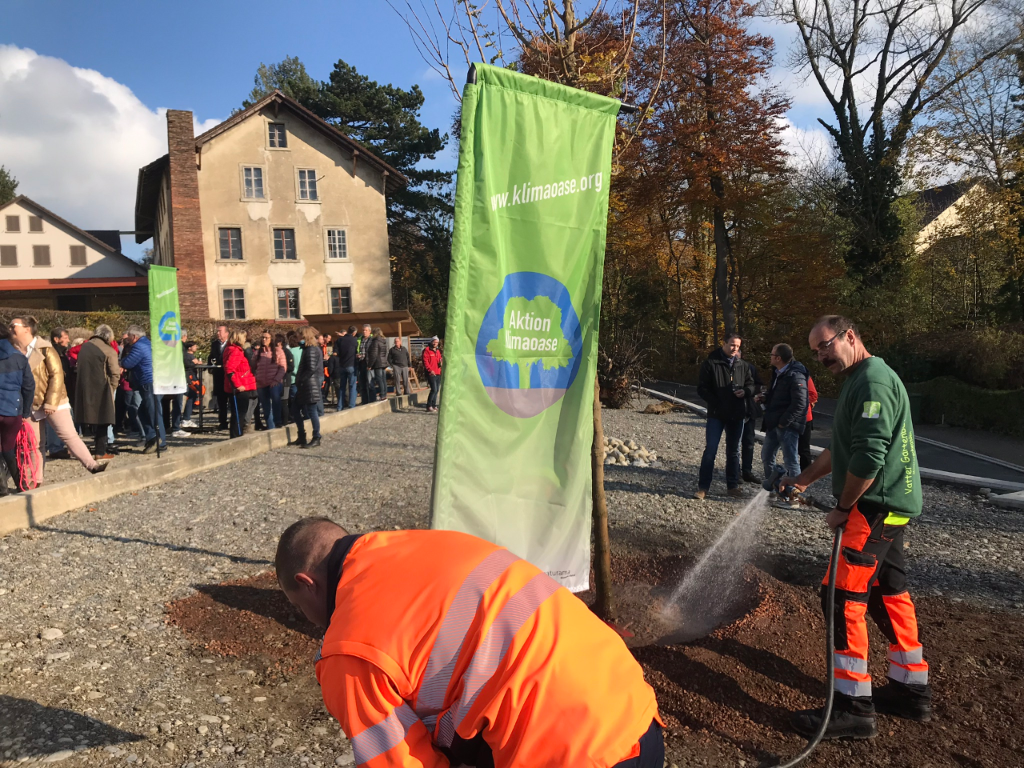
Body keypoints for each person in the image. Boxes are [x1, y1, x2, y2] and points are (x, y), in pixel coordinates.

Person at [276, 518, 664, 768]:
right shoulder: (420, 543)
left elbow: (398, 763)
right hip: (633, 710)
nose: (305, 618)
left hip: (568, 752)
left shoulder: (347, 649)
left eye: (297, 607)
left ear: (307, 584)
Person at [782, 315, 931, 741]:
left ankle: (852, 707)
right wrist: (804, 479)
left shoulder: (873, 382)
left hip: (873, 508)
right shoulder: (860, 381)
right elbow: (843, 447)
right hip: (890, 506)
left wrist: (843, 507)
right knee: (890, 593)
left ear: (850, 337)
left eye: (825, 345)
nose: (821, 356)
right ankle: (911, 688)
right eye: (814, 351)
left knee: (840, 596)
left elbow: (869, 454)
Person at [9, 316, 107, 477]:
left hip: (53, 401)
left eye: (14, 325)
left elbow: (57, 375)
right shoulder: (13, 351)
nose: (11, 328)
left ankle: (92, 465)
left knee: (68, 435)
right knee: (33, 444)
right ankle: (35, 479)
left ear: (27, 329)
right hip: (29, 404)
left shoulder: (45, 348)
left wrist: (51, 402)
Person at [695, 334, 754, 500]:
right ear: (724, 344)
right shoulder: (710, 364)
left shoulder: (743, 365)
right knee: (710, 450)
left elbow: (751, 384)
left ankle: (732, 486)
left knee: (734, 451)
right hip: (717, 414)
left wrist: (746, 391)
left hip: (737, 414)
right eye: (732, 345)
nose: (735, 349)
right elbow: (702, 388)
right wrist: (717, 401)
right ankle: (703, 487)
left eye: (738, 346)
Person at [759, 343, 808, 509]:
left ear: (778, 358)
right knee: (766, 456)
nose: (770, 357)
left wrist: (783, 422)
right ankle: (775, 489)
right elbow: (777, 395)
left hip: (786, 425)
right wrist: (765, 398)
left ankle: (793, 498)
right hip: (774, 423)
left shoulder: (796, 375)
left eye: (772, 354)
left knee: (791, 460)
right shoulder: (778, 373)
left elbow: (800, 403)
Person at [74, 325, 121, 461]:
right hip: (103, 389)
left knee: (87, 419)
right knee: (104, 419)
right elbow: (115, 373)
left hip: (84, 388)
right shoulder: (108, 350)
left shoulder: (84, 348)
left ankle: (80, 451)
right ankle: (100, 451)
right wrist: (112, 388)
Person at [121, 325, 166, 454]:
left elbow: (127, 363)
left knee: (153, 412)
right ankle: (152, 437)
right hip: (150, 381)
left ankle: (160, 441)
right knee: (143, 411)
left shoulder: (138, 346)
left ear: (134, 337)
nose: (127, 339)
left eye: (128, 336)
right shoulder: (147, 343)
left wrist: (123, 359)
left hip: (148, 382)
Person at [0, 327, 35, 494]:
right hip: (13, 409)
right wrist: (25, 411)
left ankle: (2, 488)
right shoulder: (18, 357)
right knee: (9, 448)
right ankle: (22, 484)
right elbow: (29, 386)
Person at [292, 326, 323, 448]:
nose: (297, 337)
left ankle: (316, 436)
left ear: (304, 335)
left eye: (298, 335)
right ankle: (302, 435)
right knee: (296, 409)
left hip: (309, 385)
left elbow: (310, 368)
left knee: (312, 411)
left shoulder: (311, 350)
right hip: (306, 384)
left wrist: (301, 380)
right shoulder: (308, 348)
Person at [223, 330, 257, 437]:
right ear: (238, 338)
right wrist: (237, 385)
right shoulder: (236, 351)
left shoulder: (230, 349)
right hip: (240, 386)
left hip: (238, 384)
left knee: (237, 414)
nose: (245, 339)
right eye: (244, 337)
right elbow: (229, 369)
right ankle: (236, 436)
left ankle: (236, 435)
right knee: (240, 414)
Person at [739, 350, 763, 484]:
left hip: (749, 409)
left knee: (748, 443)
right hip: (732, 412)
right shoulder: (724, 368)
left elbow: (758, 384)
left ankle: (747, 471)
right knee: (734, 444)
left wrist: (750, 391)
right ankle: (734, 472)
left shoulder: (750, 368)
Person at [255, 330, 286, 429]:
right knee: (265, 406)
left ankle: (278, 422)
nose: (264, 340)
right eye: (262, 337)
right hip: (261, 383)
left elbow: (283, 367)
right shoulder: (257, 353)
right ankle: (270, 427)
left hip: (274, 381)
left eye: (266, 338)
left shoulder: (278, 351)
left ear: (271, 339)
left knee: (276, 400)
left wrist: (276, 380)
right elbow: (252, 367)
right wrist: (256, 378)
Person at [208, 324, 230, 431]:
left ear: (226, 333)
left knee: (231, 400)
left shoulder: (231, 344)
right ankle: (223, 422)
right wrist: (210, 367)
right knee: (221, 402)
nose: (218, 333)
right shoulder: (215, 344)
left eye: (220, 331)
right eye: (217, 331)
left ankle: (235, 421)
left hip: (228, 376)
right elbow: (211, 356)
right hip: (218, 376)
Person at [333, 326, 358, 410]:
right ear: (354, 333)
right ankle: (351, 405)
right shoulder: (354, 340)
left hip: (342, 365)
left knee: (342, 387)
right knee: (352, 386)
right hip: (351, 365)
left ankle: (340, 406)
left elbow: (336, 352)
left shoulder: (340, 340)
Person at [179, 340, 203, 429]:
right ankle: (186, 418)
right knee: (193, 394)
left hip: (192, 377)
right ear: (190, 348)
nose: (196, 347)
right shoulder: (187, 356)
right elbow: (191, 364)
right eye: (194, 346)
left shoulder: (190, 356)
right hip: (189, 379)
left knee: (195, 393)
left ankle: (187, 417)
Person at [800, 374, 819, 470]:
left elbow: (813, 395)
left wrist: (798, 401)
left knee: (803, 448)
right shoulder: (781, 374)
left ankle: (806, 473)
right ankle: (794, 473)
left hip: (805, 418)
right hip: (790, 418)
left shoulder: (804, 375)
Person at [422, 336, 442, 413]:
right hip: (431, 373)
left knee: (437, 390)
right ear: (431, 342)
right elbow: (425, 361)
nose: (435, 343)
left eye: (436, 342)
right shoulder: (426, 350)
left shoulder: (437, 351)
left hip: (438, 372)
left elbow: (439, 360)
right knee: (433, 389)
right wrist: (430, 370)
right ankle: (429, 405)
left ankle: (434, 405)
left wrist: (441, 363)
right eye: (434, 342)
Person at [280, 334, 296, 426]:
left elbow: (291, 367)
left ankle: (286, 420)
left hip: (286, 379)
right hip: (282, 380)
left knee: (285, 400)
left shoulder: (288, 352)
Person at [356, 324, 373, 404]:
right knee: (362, 383)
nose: (364, 332)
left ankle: (372, 400)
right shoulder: (360, 339)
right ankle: (365, 401)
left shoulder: (372, 340)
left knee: (370, 383)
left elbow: (372, 352)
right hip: (360, 363)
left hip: (368, 364)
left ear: (369, 331)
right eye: (363, 330)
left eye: (366, 330)